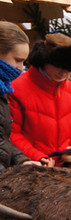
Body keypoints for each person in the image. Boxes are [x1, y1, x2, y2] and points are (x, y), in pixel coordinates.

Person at [9, 33, 71, 169]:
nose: (63, 73)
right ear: (44, 59)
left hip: (64, 176)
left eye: (69, 69)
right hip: (29, 170)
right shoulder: (16, 89)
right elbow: (12, 134)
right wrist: (37, 157)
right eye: (59, 66)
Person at [0, 21, 36, 172]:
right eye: (18, 60)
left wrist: (21, 160)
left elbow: (2, 140)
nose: (21, 68)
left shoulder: (3, 88)